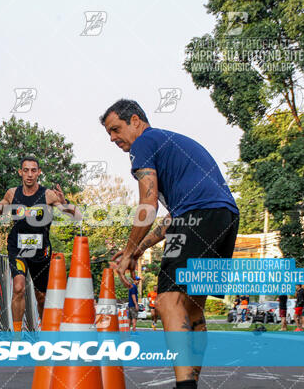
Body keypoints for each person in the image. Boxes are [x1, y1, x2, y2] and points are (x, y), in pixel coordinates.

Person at [102, 99, 239, 389]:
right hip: (224, 217)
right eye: (109, 134)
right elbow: (172, 219)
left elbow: (147, 204)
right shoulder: (169, 143)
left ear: (135, 121)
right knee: (192, 310)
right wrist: (139, 248)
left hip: (198, 216)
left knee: (167, 300)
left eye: (116, 129)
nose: (113, 138)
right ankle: (192, 384)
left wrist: (127, 252)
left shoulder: (144, 143)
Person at [0, 156, 81, 332]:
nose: (29, 174)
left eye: (33, 170)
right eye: (26, 170)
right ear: (20, 172)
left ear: (39, 173)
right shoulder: (12, 193)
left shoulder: (48, 194)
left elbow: (76, 216)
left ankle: (45, 331)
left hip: (40, 251)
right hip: (17, 247)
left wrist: (64, 203)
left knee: (41, 296)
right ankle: (17, 336)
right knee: (18, 287)